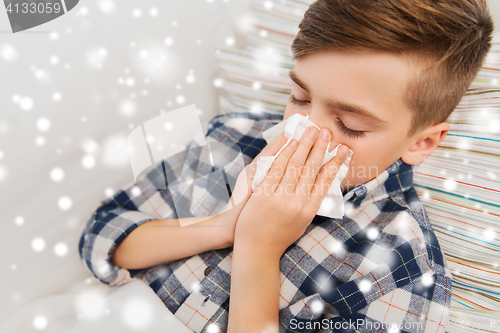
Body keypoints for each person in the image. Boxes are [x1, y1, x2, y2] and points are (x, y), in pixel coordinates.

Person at [78, 0, 494, 332]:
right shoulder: (230, 138)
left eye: (350, 126)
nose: (302, 132)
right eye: (298, 96)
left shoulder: (398, 276)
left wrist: (259, 251)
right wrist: (222, 227)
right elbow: (102, 234)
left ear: (421, 142)